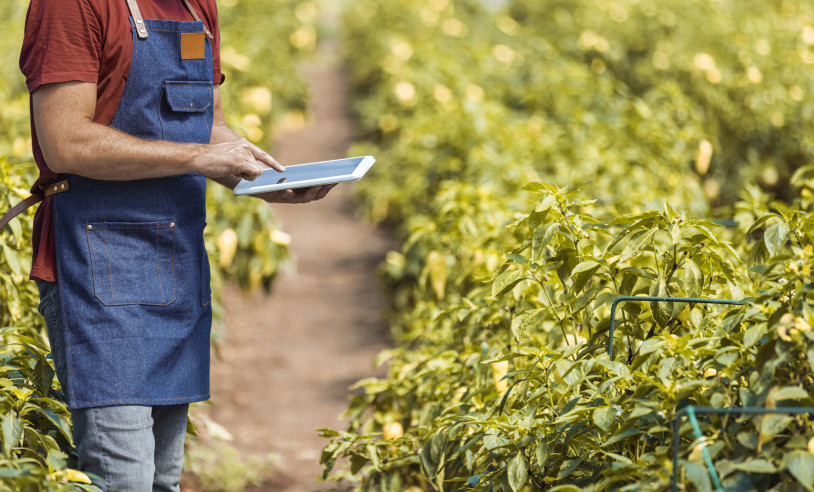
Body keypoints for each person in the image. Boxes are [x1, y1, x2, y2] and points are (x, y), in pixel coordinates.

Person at [18, 0, 334, 489]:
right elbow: (66, 141)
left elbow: (207, 128)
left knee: (163, 480)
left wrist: (264, 178)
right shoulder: (71, 6)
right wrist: (199, 157)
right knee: (122, 479)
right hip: (96, 267)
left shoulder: (196, 6)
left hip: (174, 262)